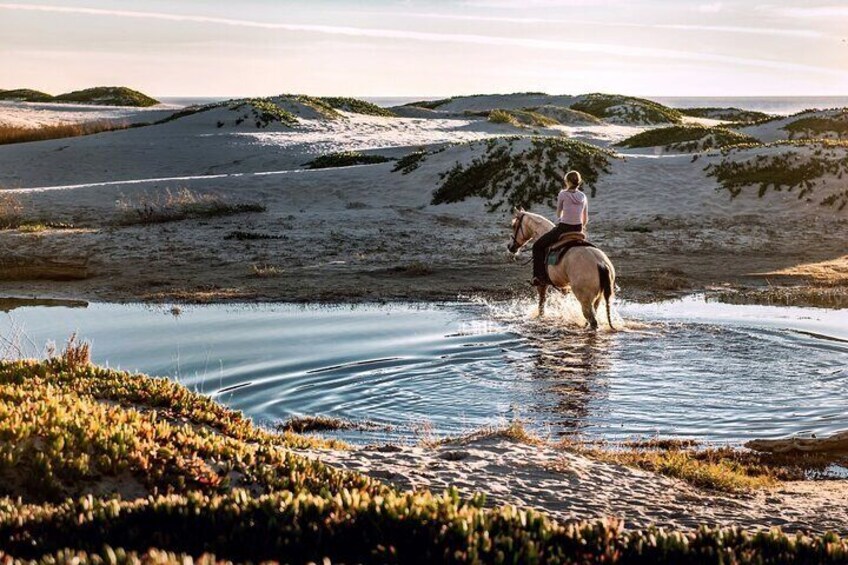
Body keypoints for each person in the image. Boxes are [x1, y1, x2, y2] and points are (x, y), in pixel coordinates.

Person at [531, 170, 588, 286]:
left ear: (567, 182)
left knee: (537, 246)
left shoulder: (563, 194)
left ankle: (539, 277)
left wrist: (563, 219)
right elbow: (585, 218)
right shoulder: (583, 196)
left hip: (564, 228)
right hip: (578, 229)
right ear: (579, 182)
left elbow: (558, 213)